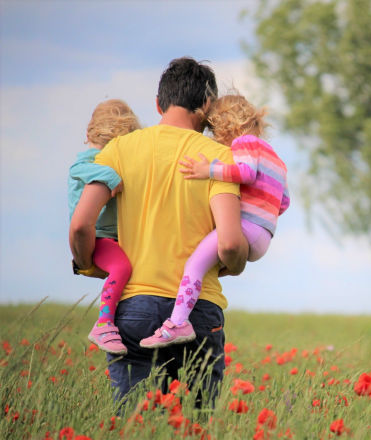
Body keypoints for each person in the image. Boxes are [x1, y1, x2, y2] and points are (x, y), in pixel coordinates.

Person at [69, 57, 248, 404]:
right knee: (195, 424)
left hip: (133, 306)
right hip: (198, 311)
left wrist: (88, 262)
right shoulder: (219, 158)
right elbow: (228, 243)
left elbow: (80, 224)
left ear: (158, 103)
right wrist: (235, 264)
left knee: (134, 422)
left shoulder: (117, 150)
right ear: (207, 105)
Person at [140, 92, 290, 348]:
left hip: (247, 227)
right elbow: (284, 202)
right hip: (264, 235)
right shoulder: (276, 158)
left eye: (213, 130)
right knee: (208, 263)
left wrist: (207, 170)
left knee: (194, 264)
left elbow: (245, 173)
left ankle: (177, 323)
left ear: (226, 125)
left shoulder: (245, 143)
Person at [68, 99, 140, 355]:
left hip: (112, 236)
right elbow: (80, 168)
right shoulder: (89, 161)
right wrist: (111, 176)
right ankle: (104, 323)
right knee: (121, 267)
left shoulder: (103, 157)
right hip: (98, 236)